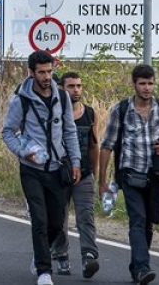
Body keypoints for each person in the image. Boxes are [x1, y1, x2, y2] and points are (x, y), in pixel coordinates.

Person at [1, 51, 80, 285]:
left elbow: (69, 131)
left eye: (50, 71)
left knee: (57, 222)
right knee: (39, 219)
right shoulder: (21, 99)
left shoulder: (63, 98)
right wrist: (24, 152)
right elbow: (8, 132)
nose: (47, 76)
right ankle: (44, 271)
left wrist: (75, 162)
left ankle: (41, 252)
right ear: (32, 72)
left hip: (57, 167)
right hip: (31, 169)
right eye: (42, 72)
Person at [99, 64, 159, 285]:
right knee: (138, 219)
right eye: (142, 83)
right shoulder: (121, 109)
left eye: (150, 83)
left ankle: (137, 268)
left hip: (155, 175)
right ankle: (144, 267)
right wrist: (103, 181)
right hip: (130, 173)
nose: (147, 88)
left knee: (149, 223)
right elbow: (107, 145)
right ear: (133, 84)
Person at [51, 72, 99, 278]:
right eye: (71, 86)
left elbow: (93, 145)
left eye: (79, 86)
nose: (76, 90)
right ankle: (61, 257)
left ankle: (89, 256)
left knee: (85, 216)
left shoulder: (89, 113)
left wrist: (95, 173)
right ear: (61, 88)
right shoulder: (54, 113)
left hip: (84, 173)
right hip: (59, 173)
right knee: (59, 218)